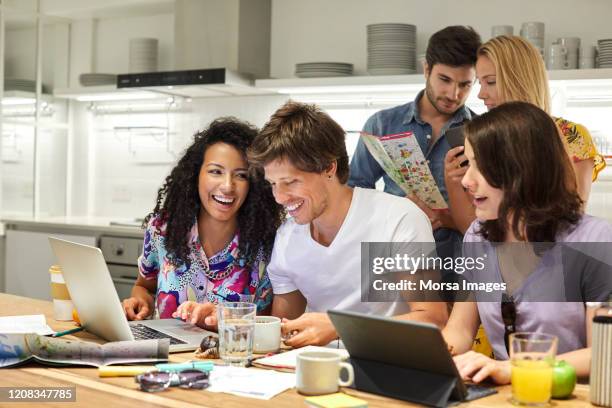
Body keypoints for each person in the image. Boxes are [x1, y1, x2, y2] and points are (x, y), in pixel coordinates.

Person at [247, 101, 448, 348]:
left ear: (329, 167)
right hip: (315, 369)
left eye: (290, 182)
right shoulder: (288, 238)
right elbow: (282, 328)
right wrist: (223, 321)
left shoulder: (396, 219)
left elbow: (432, 319)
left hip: (389, 365)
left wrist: (340, 327)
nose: (279, 197)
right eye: (273, 184)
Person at [442, 102, 612, 385]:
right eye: (468, 164)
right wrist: (422, 357)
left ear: (521, 169)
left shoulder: (594, 240)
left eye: (479, 166)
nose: (467, 181)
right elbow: (458, 331)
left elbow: (603, 354)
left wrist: (515, 368)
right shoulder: (476, 236)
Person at [122, 118, 284, 328]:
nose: (227, 186)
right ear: (195, 175)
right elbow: (144, 286)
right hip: (164, 356)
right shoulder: (163, 230)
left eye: (241, 175)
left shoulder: (267, 244)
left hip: (229, 358)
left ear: (253, 183)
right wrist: (139, 302)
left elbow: (269, 324)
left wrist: (224, 319)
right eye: (215, 171)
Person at [445, 35, 606, 233]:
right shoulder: (483, 140)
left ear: (519, 78)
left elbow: (573, 225)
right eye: (481, 83)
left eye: (491, 82)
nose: (481, 94)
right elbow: (475, 230)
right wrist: (454, 184)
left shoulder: (571, 136)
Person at [348, 26, 482, 251]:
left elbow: (492, 215)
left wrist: (449, 217)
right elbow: (354, 193)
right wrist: (394, 210)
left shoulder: (482, 132)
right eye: (445, 80)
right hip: (394, 259)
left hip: (460, 267)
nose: (453, 94)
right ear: (427, 69)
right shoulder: (381, 124)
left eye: (464, 85)